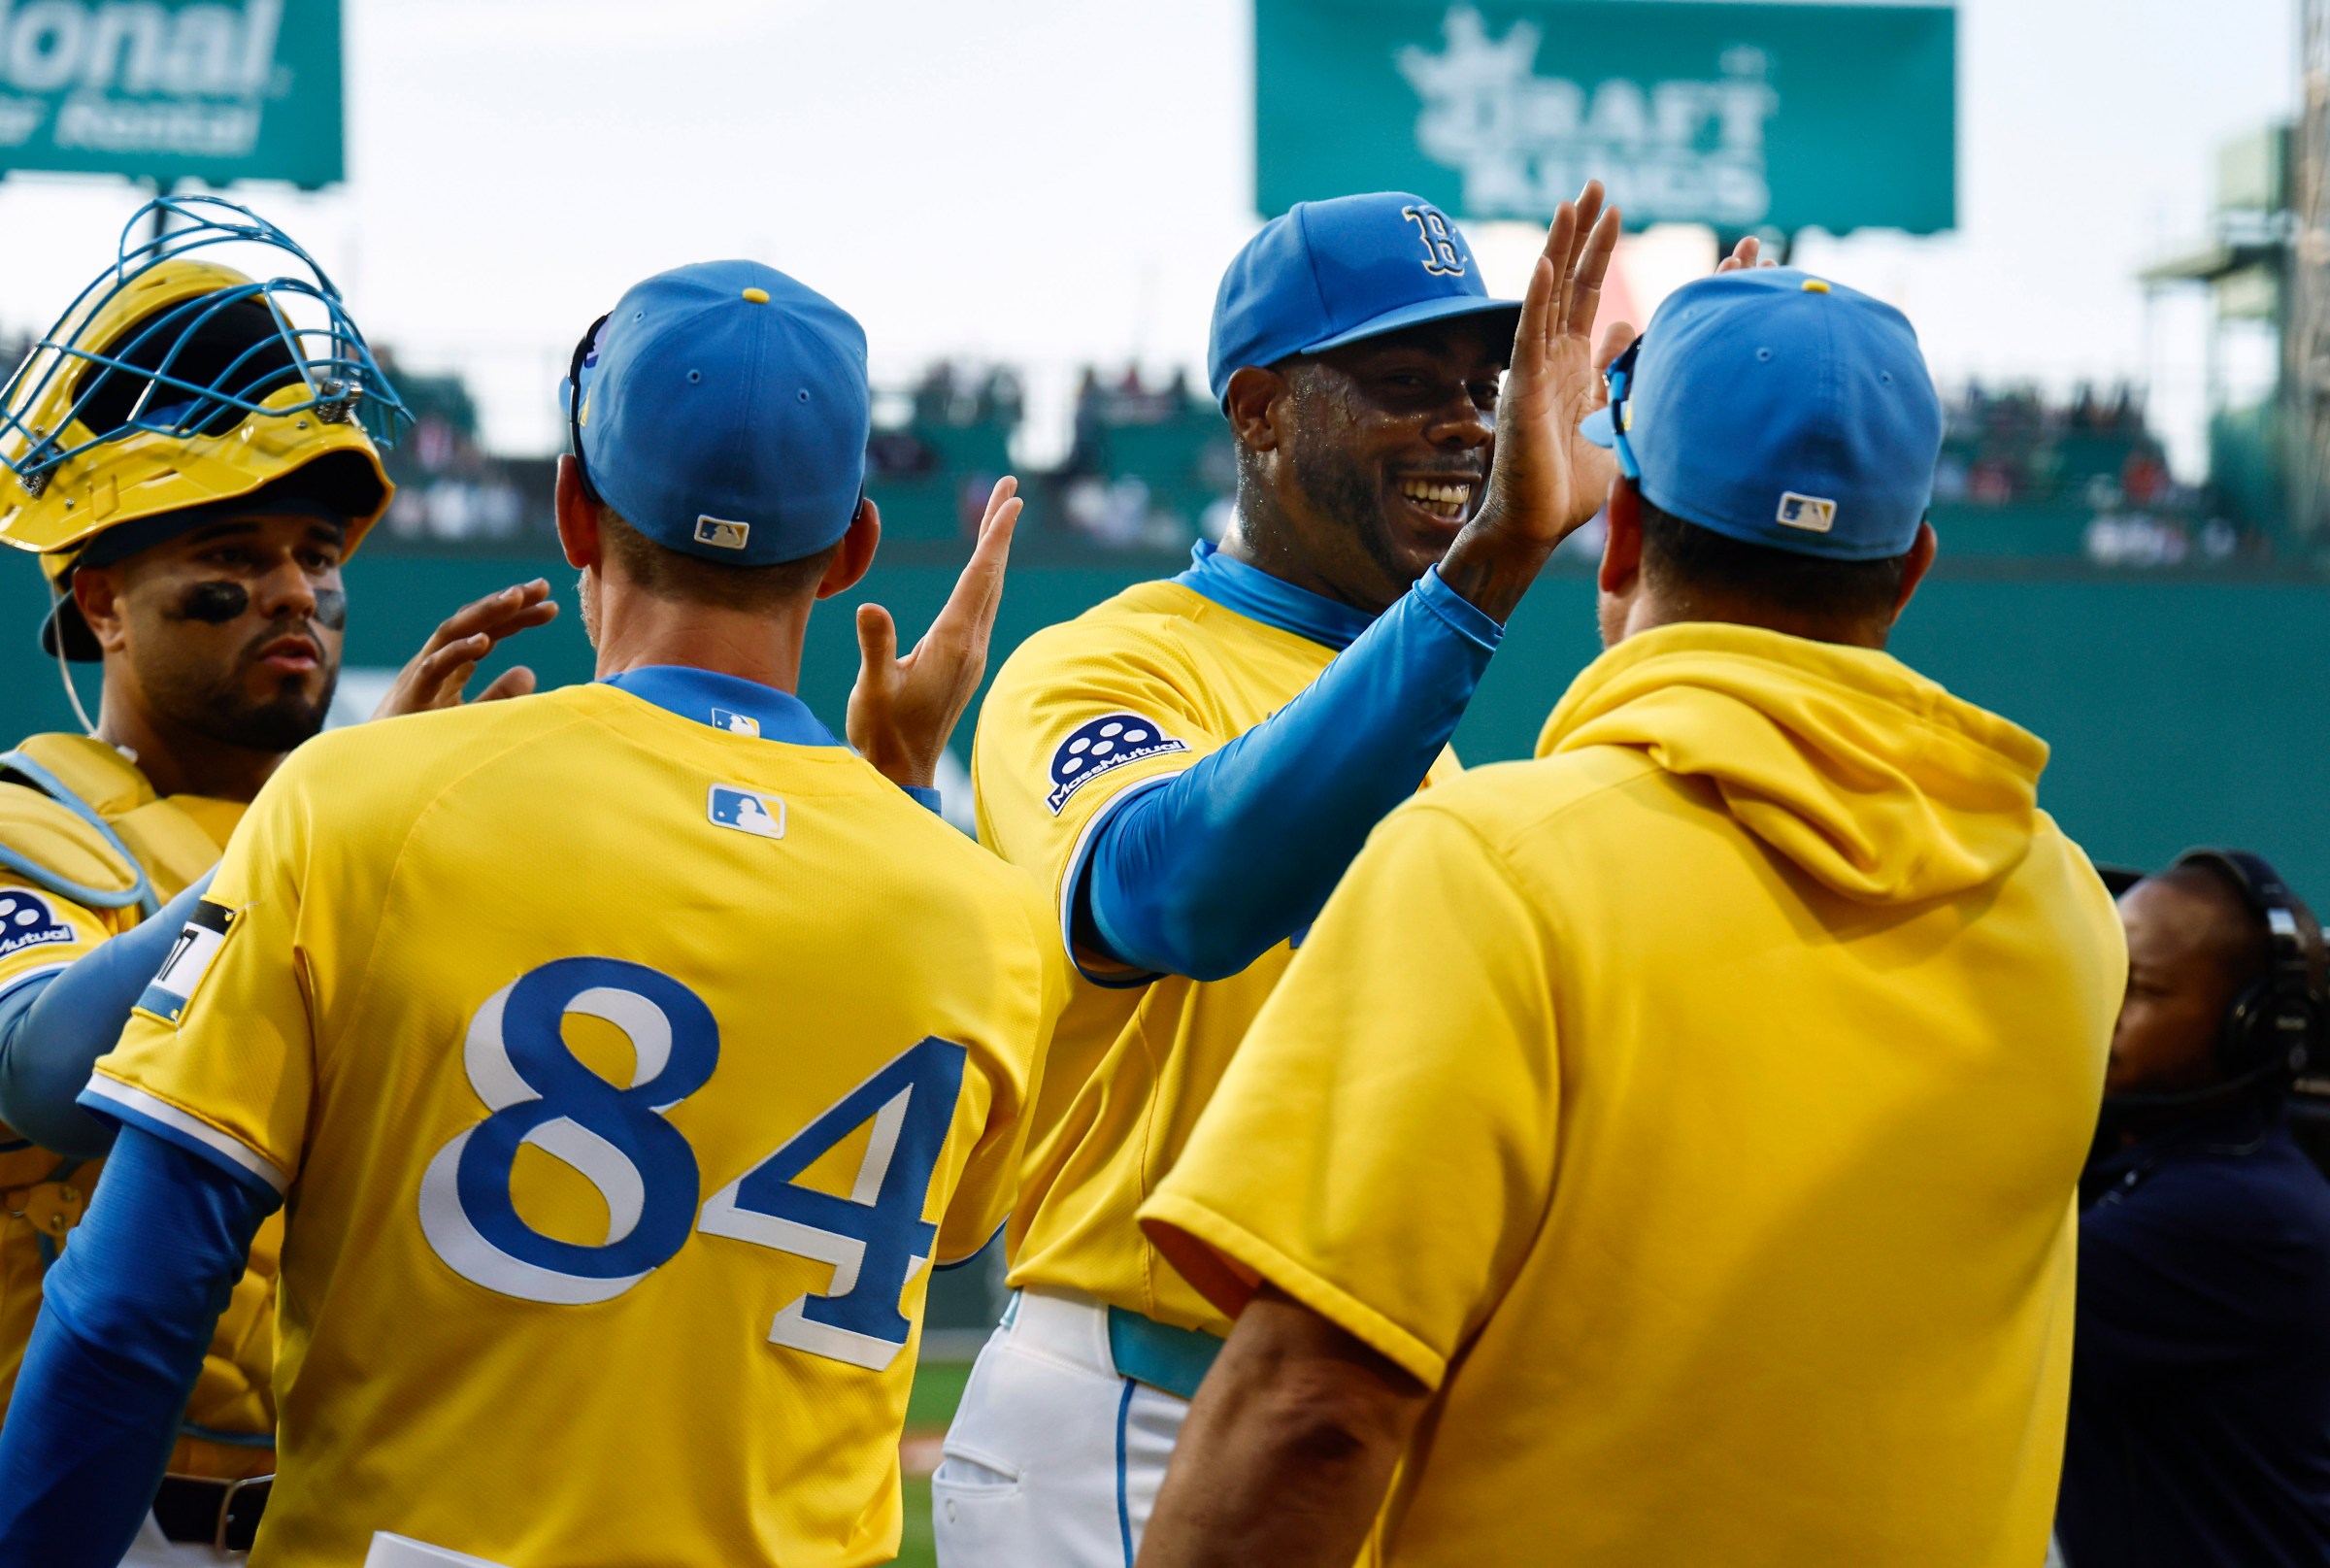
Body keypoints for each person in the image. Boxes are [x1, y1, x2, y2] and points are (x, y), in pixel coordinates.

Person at [0, 259, 1061, 1568]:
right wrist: (896, 803)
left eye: (310, 558)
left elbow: (128, 1307)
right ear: (851, 548)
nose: (289, 591)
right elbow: (942, 1222)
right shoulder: (984, 912)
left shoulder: (366, 807)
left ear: (569, 504)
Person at [1133, 268, 2128, 1568]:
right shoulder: (2065, 905)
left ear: (1620, 529)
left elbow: (1313, 1410)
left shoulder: (1495, 862)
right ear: (1914, 566)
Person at [938, 183, 1642, 1564]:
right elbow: (1172, 893)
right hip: (1132, 1408)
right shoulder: (1106, 663)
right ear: (1259, 409)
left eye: (1484, 382)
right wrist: (1488, 572)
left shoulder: (1412, 706)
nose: (1465, 420)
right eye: (1400, 381)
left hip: (1333, 1410)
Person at [0, 197, 556, 1564]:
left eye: (314, 555)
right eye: (232, 560)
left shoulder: (385, 831)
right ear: (100, 601)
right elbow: (40, 1063)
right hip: (85, 1510)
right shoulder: (35, 816)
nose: (294, 590)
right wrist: (340, 810)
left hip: (357, 1511)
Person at [2055, 852, 2330, 1567]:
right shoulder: (2158, 1163)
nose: (2101, 1009)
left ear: (2252, 1027)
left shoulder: (2243, 1213)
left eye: (2139, 989)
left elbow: (1956, 1308)